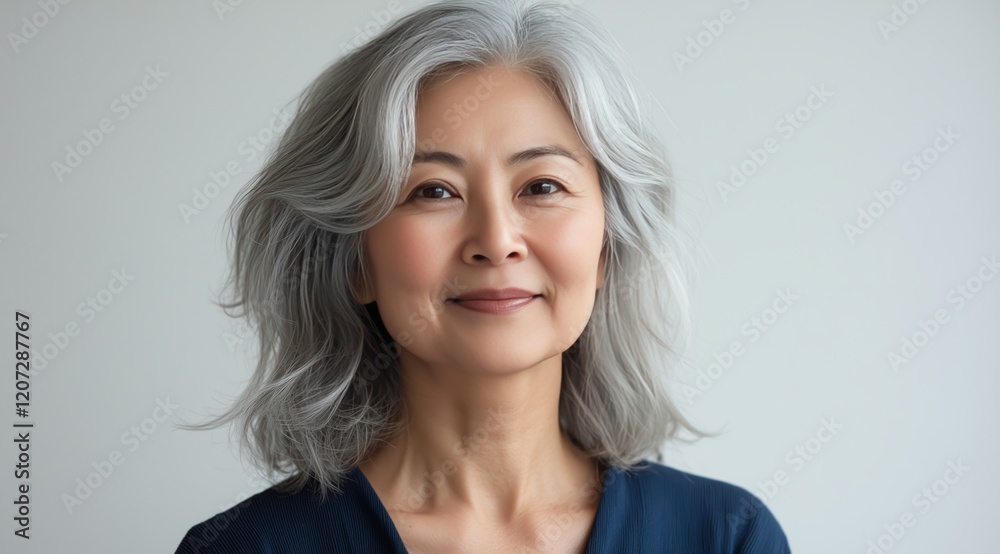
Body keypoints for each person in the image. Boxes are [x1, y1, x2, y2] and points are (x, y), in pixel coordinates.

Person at [175, 0, 792, 552]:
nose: (496, 241)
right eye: (434, 191)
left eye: (543, 186)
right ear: (354, 258)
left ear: (607, 246)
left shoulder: (725, 536)